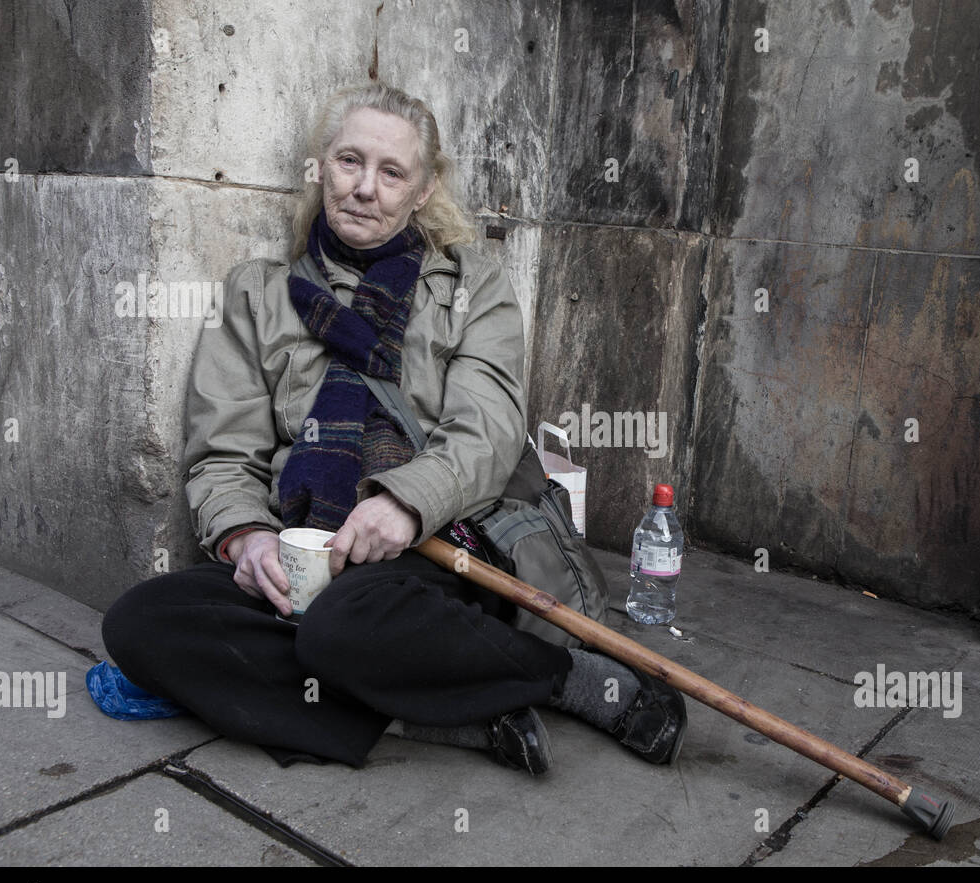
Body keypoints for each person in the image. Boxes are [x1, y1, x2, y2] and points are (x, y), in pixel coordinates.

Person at [101, 81, 686, 774]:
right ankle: (458, 711)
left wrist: (405, 505)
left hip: (439, 552)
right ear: (322, 167)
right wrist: (245, 537)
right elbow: (223, 453)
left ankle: (563, 677)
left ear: (423, 190)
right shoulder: (258, 293)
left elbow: (487, 434)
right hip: (308, 557)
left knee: (345, 626)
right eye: (350, 162)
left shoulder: (475, 287)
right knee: (139, 623)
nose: (364, 189)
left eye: (391, 173)